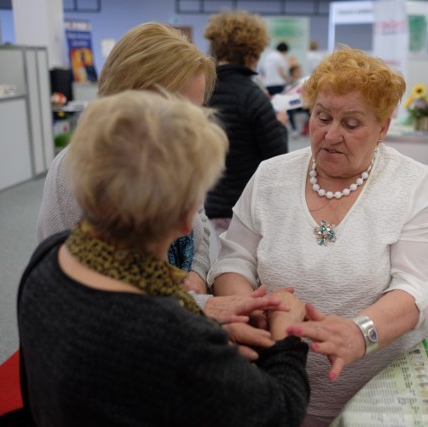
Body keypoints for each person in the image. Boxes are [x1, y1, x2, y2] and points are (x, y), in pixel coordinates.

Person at [17, 90, 310, 426]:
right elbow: (280, 412)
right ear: (186, 218)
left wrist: (204, 333)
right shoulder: (172, 338)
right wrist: (286, 337)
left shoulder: (51, 256)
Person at [209, 47, 428, 426]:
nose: (331, 135)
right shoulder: (271, 176)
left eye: (351, 124)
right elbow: (233, 259)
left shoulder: (413, 184)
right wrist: (247, 312)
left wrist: (360, 332)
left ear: (383, 127)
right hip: (276, 378)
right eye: (322, 117)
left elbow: (415, 286)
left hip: (381, 388)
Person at [36, 22, 214, 294]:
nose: (191, 127)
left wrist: (198, 274)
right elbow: (91, 290)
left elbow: (200, 223)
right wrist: (198, 305)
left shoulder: (177, 155)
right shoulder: (81, 170)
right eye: (177, 111)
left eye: (197, 111)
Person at [203, 11, 288, 237]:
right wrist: (279, 122)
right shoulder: (253, 96)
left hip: (213, 202)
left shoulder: (202, 90)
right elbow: (277, 157)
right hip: (246, 206)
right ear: (252, 53)